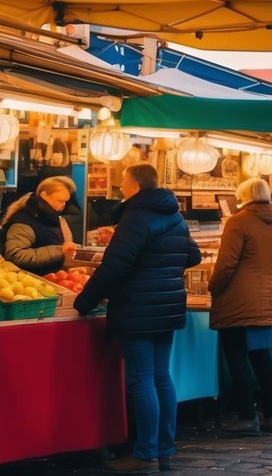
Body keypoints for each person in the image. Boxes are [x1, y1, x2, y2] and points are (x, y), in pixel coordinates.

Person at [73, 164, 201, 474]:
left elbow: (115, 266)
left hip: (138, 308)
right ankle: (164, 450)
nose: (120, 188)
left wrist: (83, 301)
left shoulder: (136, 217)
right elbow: (193, 256)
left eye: (124, 182)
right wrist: (163, 267)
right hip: (168, 306)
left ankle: (145, 454)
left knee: (142, 379)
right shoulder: (175, 215)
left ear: (135, 185)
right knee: (160, 377)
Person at [208, 178, 272, 435]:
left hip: (238, 301)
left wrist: (213, 287)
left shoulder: (238, 222)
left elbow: (226, 264)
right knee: (262, 357)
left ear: (245, 196)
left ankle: (247, 417)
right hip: (266, 299)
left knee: (237, 358)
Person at [2, 175, 78, 273]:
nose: (63, 205)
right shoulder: (23, 222)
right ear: (44, 195)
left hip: (52, 279)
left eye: (65, 202)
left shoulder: (55, 219)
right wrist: (60, 250)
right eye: (60, 201)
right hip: (28, 283)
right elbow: (16, 256)